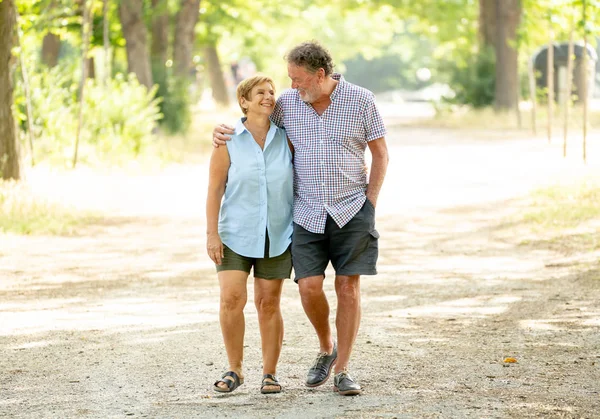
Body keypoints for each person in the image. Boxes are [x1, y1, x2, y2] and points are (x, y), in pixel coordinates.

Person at [213, 41, 389, 396]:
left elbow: (381, 154)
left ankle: (342, 370)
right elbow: (252, 123)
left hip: (352, 209)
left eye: (297, 79)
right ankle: (327, 346)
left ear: (319, 75)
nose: (290, 87)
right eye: (289, 80)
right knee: (309, 287)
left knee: (348, 289)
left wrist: (370, 202)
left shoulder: (362, 100)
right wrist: (222, 131)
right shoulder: (289, 106)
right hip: (306, 212)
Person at [206, 74, 293, 394]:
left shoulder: (287, 137)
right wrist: (211, 234)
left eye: (272, 92)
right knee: (231, 298)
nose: (268, 97)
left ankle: (269, 373)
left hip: (278, 232)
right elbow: (215, 189)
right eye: (260, 93)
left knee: (268, 303)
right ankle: (235, 369)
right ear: (244, 101)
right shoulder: (227, 139)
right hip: (235, 232)